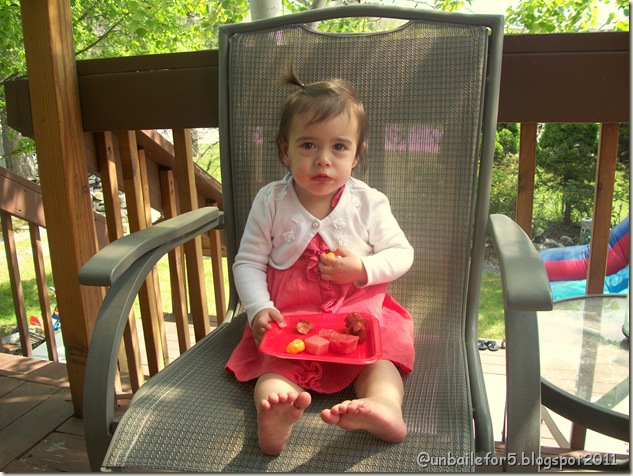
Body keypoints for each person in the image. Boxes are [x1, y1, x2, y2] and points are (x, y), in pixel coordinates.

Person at [225, 66, 415, 456]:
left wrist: (363, 269)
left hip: (357, 319)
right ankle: (276, 411)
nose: (323, 160)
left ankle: (383, 405)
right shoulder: (271, 201)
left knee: (381, 361)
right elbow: (248, 263)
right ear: (285, 150)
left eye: (339, 147)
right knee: (275, 368)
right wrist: (259, 308)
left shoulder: (368, 202)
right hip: (292, 320)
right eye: (309, 145)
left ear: (357, 154)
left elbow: (402, 253)